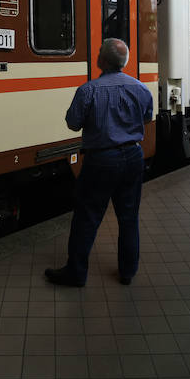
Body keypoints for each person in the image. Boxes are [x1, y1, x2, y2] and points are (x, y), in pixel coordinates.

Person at [45, 38, 153, 287]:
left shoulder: (89, 90)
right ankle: (127, 272)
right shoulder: (140, 88)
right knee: (128, 217)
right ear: (124, 62)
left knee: (87, 216)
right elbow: (146, 118)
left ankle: (76, 273)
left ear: (101, 60)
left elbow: (73, 123)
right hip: (133, 156)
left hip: (101, 159)